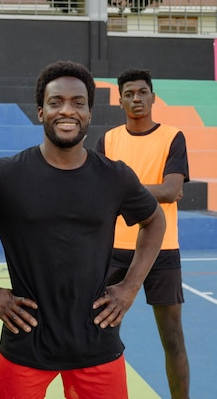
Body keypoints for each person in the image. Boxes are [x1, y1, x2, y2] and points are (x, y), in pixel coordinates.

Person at [0, 61, 167, 399]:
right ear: (40, 112)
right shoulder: (4, 177)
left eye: (78, 103)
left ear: (90, 113)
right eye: (56, 102)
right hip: (25, 344)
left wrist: (129, 287)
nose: (67, 110)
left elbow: (154, 220)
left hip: (97, 342)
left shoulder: (114, 177)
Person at [95, 68, 190, 399]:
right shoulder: (107, 140)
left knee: (173, 337)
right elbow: (94, 190)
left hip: (162, 250)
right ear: (120, 100)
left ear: (153, 96)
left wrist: (119, 189)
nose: (136, 98)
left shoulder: (173, 137)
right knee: (98, 332)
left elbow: (171, 191)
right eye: (129, 94)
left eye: (142, 92)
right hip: (113, 250)